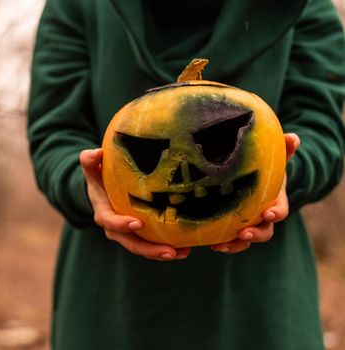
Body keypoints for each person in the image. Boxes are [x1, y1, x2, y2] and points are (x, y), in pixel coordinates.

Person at [27, 0, 345, 349]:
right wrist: (86, 185)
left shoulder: (306, 5)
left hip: (259, 302)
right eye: (146, 151)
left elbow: (321, 129)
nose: (184, 176)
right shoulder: (75, 5)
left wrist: (284, 175)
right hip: (110, 296)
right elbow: (55, 133)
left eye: (221, 142)